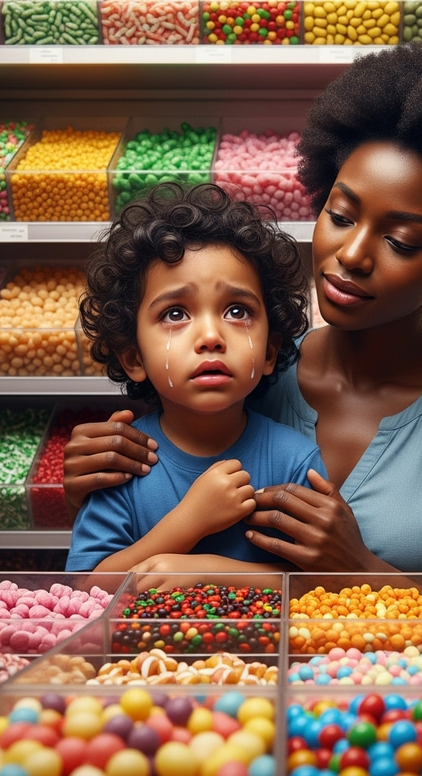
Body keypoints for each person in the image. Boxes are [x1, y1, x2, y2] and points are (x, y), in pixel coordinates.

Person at [63, 41, 422, 576]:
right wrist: (97, 474)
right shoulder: (242, 370)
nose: (351, 254)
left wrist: (358, 570)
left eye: (401, 241)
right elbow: (121, 542)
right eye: (340, 216)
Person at [65, 182, 327, 573]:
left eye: (237, 311)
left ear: (270, 352)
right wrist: (188, 523)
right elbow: (85, 588)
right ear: (133, 357)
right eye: (175, 314)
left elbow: (323, 585)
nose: (210, 336)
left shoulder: (296, 461)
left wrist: (210, 570)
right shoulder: (124, 464)